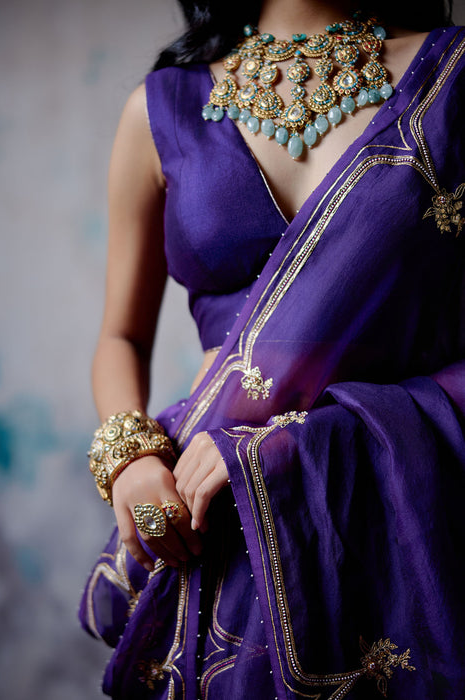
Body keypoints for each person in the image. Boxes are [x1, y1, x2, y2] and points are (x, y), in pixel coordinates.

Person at [79, 0, 465, 697]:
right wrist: (130, 466)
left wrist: (305, 442)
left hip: (404, 526)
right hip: (211, 527)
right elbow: (121, 336)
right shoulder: (160, 106)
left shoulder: (453, 80)